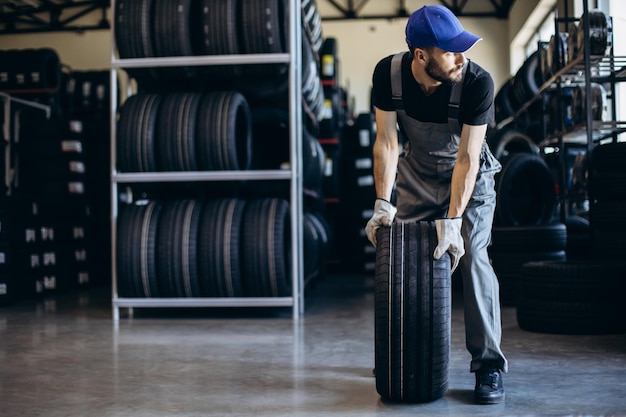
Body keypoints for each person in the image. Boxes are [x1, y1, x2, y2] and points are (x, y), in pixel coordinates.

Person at [365, 4, 508, 405]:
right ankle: (402, 356)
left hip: (471, 179)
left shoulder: (477, 82)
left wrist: (454, 220)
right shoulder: (387, 75)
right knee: (405, 260)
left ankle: (488, 365)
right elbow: (387, 142)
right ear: (421, 55)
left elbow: (466, 157)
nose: (462, 57)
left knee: (475, 258)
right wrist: (381, 203)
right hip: (418, 174)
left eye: (462, 48)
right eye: (450, 51)